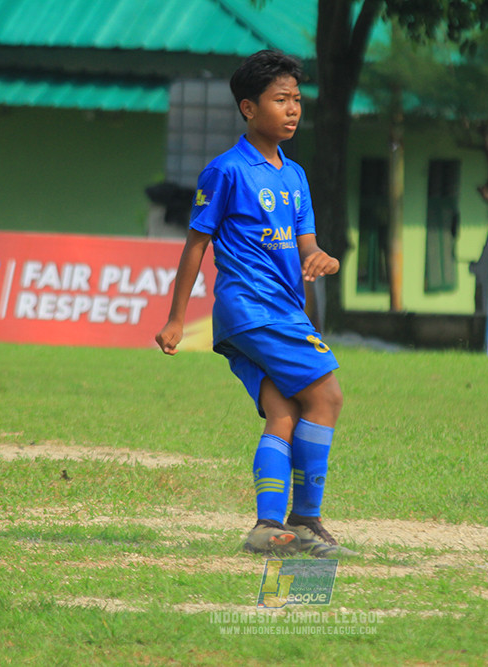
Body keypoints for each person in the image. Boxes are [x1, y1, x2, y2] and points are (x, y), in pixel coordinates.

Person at [155, 50, 353, 558]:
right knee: (327, 396)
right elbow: (195, 245)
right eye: (280, 100)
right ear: (248, 108)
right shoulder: (226, 172)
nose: (292, 110)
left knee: (284, 410)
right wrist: (177, 318)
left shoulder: (296, 176)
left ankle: (268, 527)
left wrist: (320, 258)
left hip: (282, 313)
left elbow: (305, 246)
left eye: (297, 100)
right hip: (250, 309)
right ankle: (305, 518)